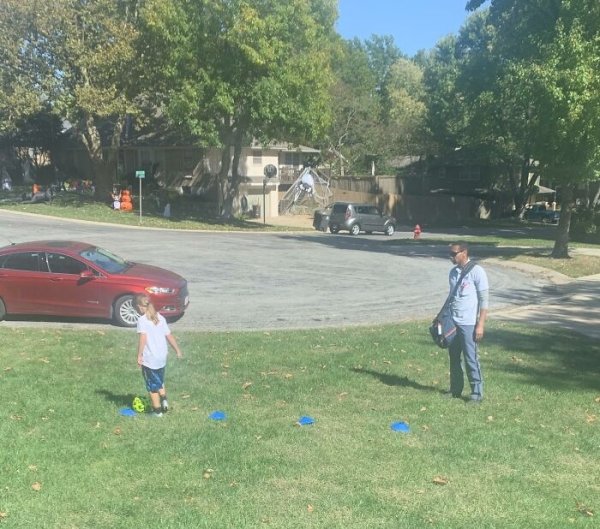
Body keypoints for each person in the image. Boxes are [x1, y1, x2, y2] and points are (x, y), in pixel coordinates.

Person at [445, 243, 489, 404]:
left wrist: (481, 325)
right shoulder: (453, 273)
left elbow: (484, 301)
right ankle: (455, 389)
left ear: (464, 252)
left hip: (469, 323)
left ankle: (476, 393)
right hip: (453, 322)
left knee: (471, 358)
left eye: (454, 253)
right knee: (454, 357)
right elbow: (452, 298)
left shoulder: (477, 272)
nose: (451, 256)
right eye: (450, 253)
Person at [135, 294, 183, 417]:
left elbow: (143, 339)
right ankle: (164, 400)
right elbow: (169, 335)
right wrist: (177, 350)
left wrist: (139, 355)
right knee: (159, 379)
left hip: (150, 358)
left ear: (140, 307)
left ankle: (157, 412)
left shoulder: (142, 320)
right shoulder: (160, 317)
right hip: (162, 357)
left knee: (152, 386)